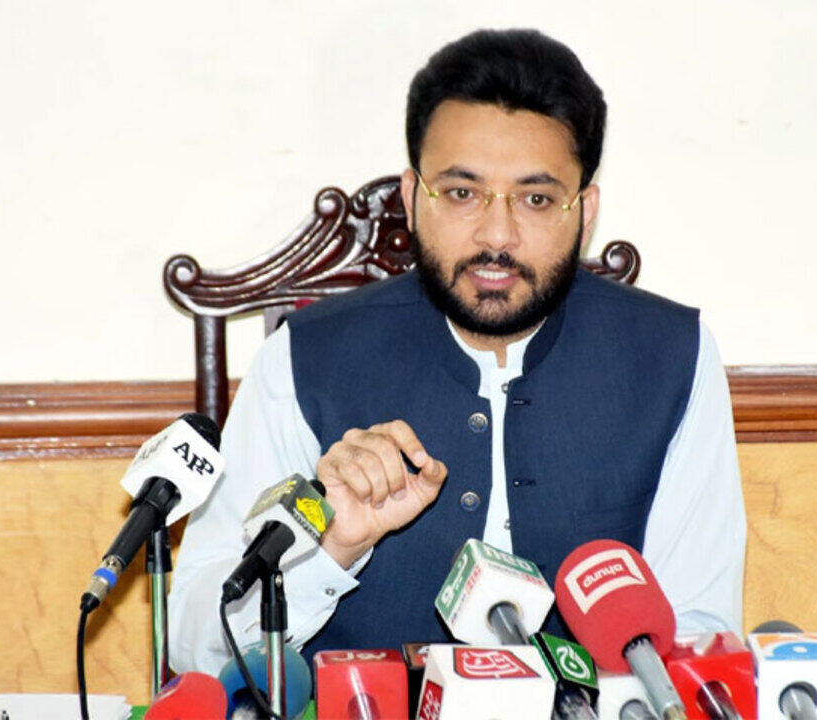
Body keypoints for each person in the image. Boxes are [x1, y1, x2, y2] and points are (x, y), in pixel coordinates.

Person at [168, 28, 745, 674]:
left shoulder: (672, 359)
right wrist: (328, 552)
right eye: (462, 193)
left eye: (536, 199)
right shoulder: (301, 360)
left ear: (585, 213)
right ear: (412, 198)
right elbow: (194, 644)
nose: (496, 235)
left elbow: (699, 637)